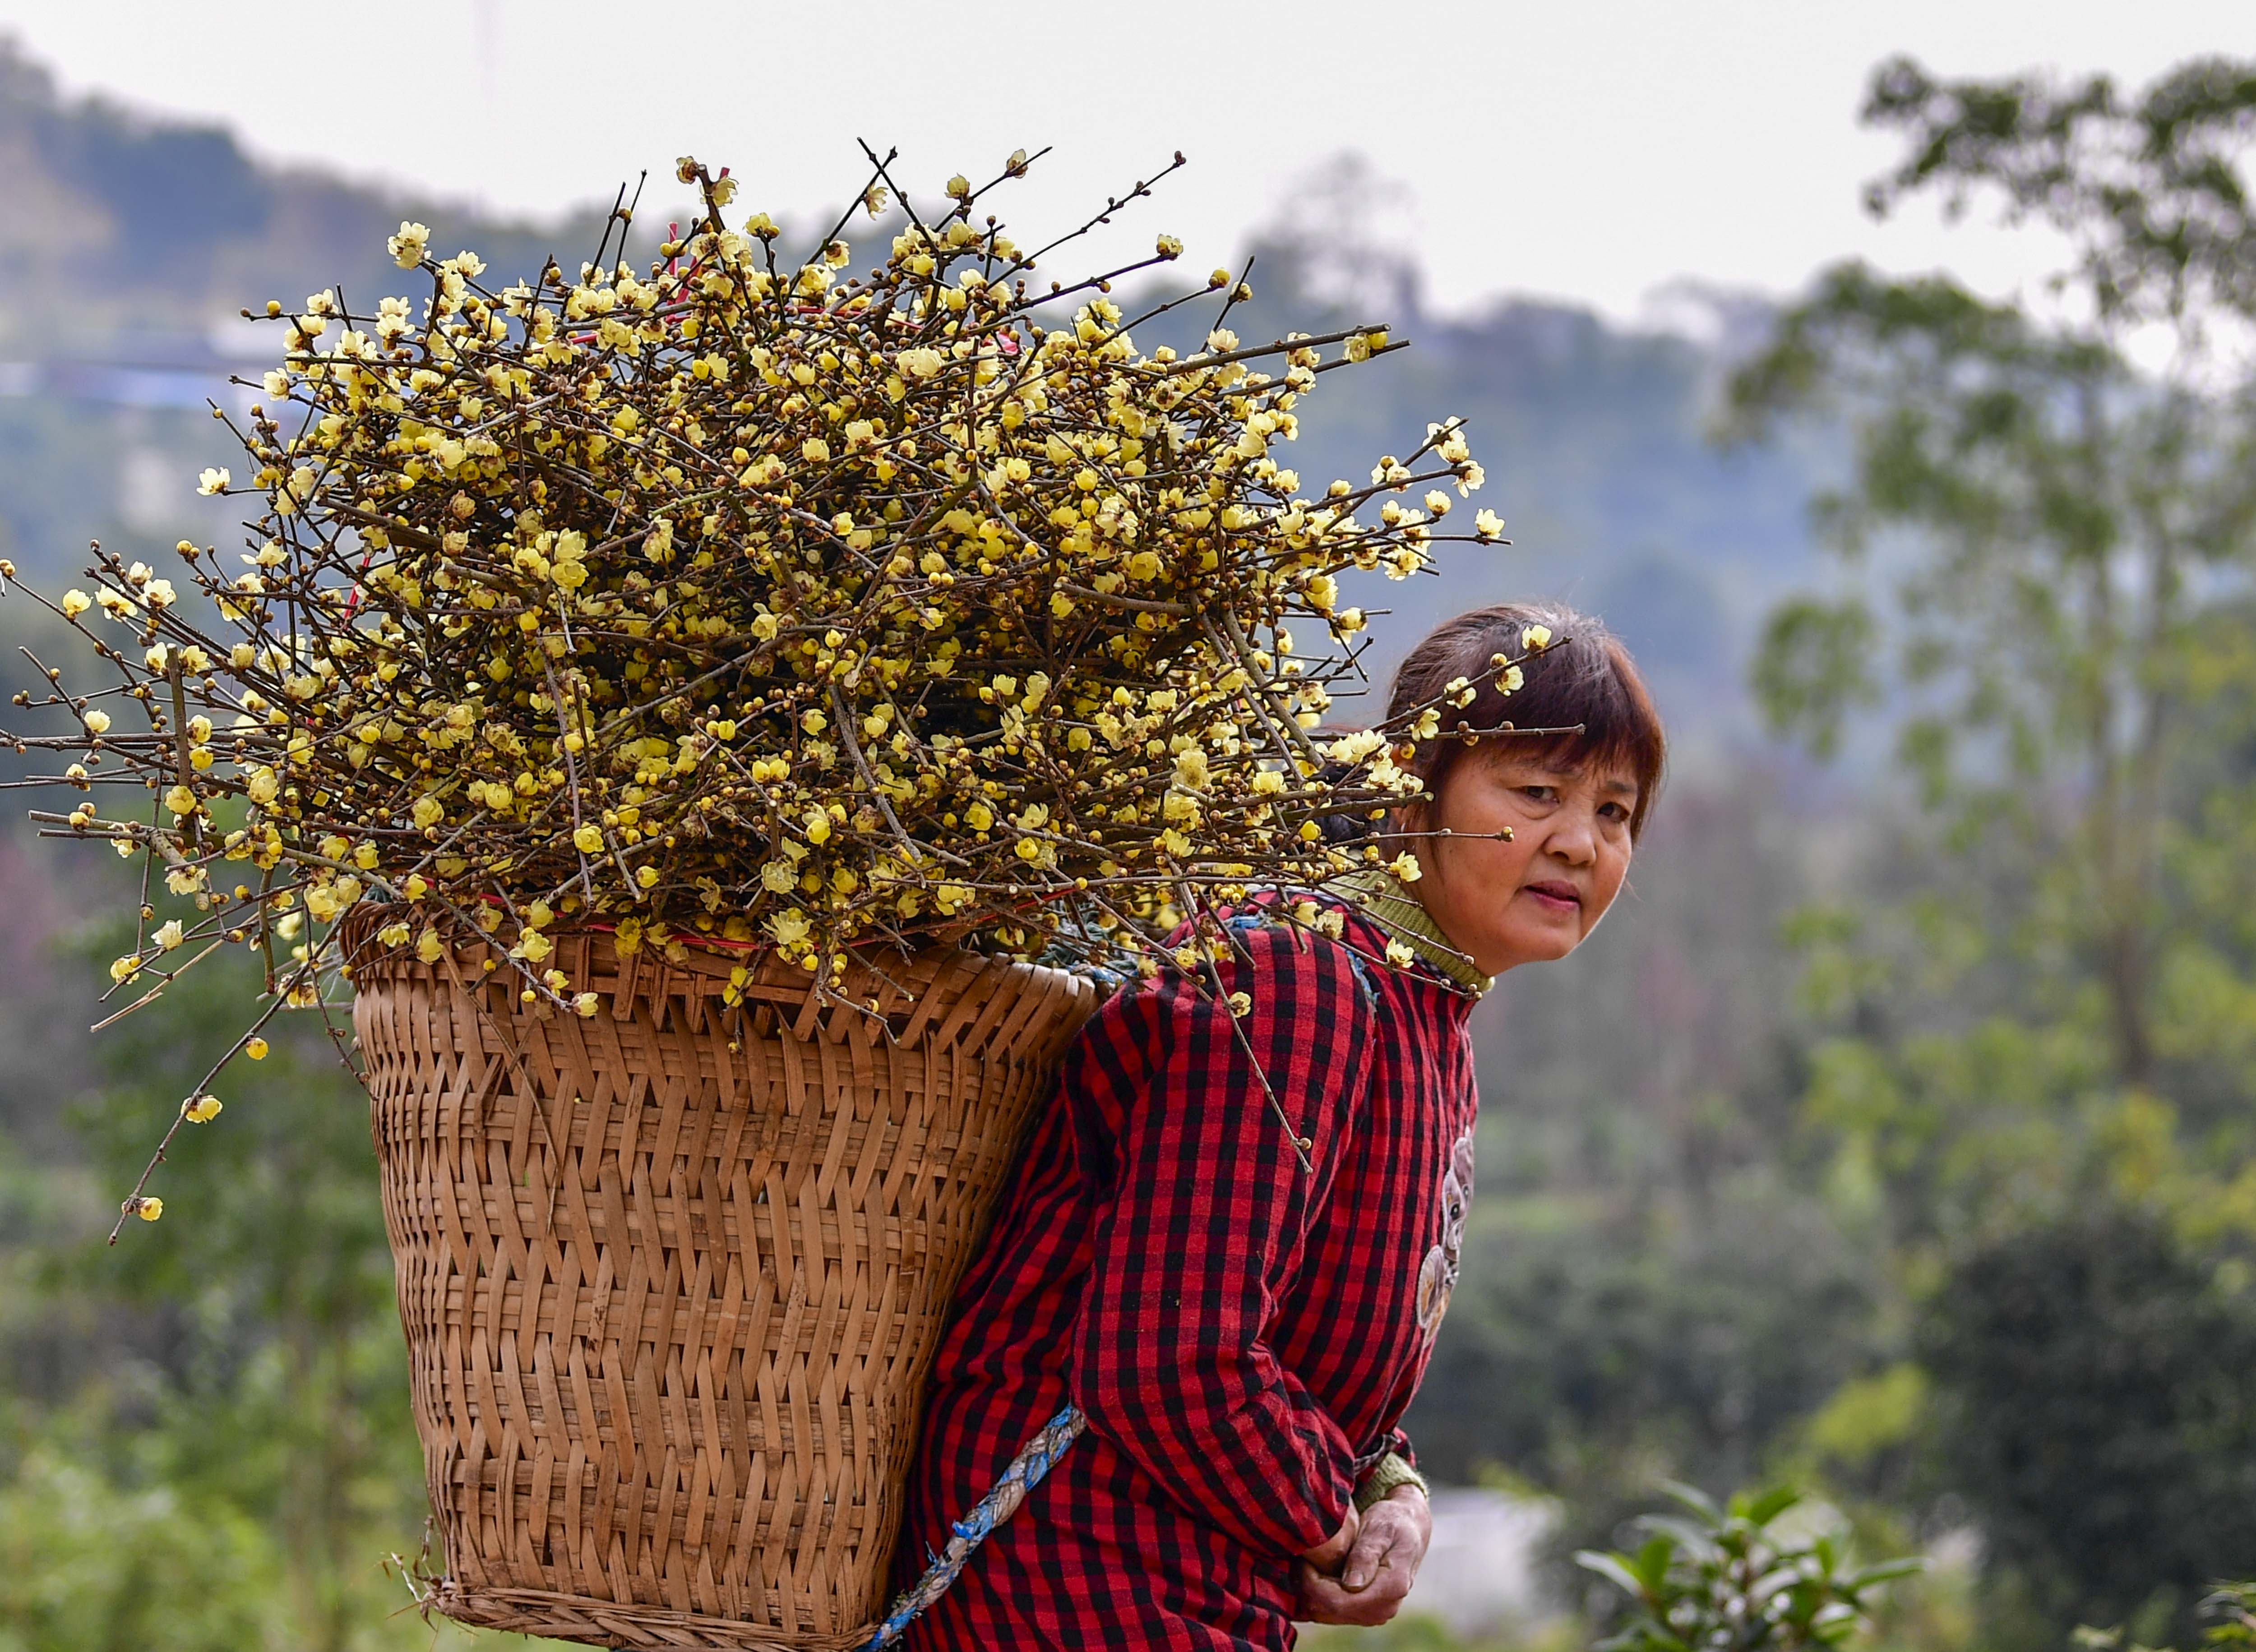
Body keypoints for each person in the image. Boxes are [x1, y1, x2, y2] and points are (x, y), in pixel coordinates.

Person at [895, 600, 1667, 1649]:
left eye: (1615, 813)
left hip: (1187, 1583)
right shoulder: (1299, 979)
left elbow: (1308, 1342)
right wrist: (1331, 1521)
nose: (1578, 843)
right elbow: (1169, 1356)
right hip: (1073, 1574)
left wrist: (1391, 1482)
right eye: (1536, 792)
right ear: (1411, 783)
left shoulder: (1422, 1013)